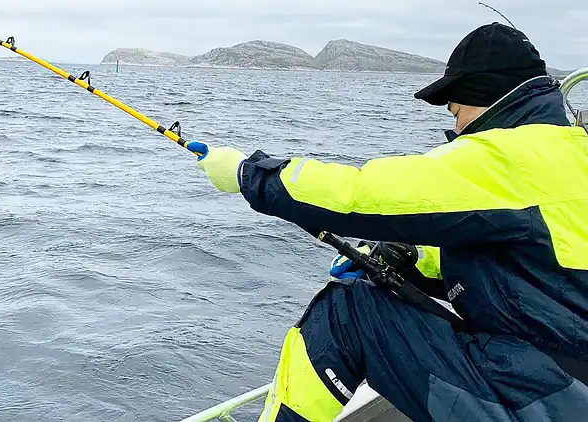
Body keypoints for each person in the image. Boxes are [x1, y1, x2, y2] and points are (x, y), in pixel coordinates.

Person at [186, 22, 588, 422]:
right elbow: (533, 259)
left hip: (553, 397)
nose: (456, 127)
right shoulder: (572, 153)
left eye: (456, 111)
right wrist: (405, 258)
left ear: (484, 97)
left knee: (348, 314)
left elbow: (361, 194)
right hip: (565, 373)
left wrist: (247, 174)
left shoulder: (511, 158)